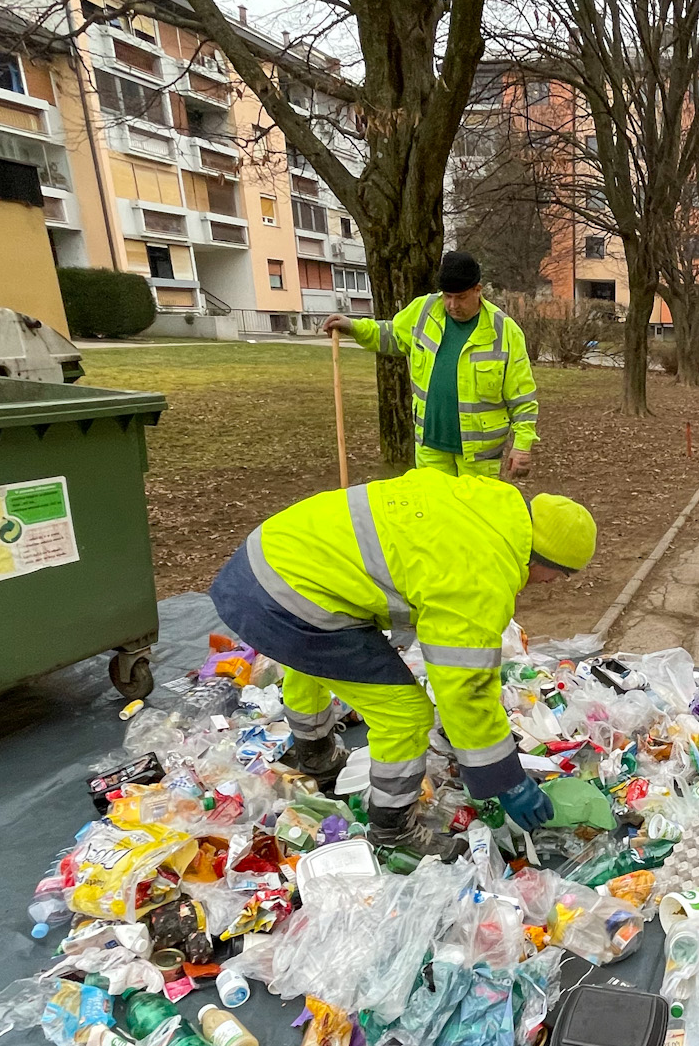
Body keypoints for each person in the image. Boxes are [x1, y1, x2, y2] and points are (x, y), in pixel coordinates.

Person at [208, 469, 597, 860]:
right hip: (285, 600)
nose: (551, 585)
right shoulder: (481, 573)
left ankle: (315, 757)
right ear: (543, 558)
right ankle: (392, 830)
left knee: (312, 657)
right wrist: (506, 779)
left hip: (267, 560)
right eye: (558, 576)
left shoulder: (485, 504)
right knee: (406, 714)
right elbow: (466, 690)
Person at [323, 250, 538, 480]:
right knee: (433, 514)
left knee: (472, 515)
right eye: (447, 296)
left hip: (479, 456)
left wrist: (522, 444)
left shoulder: (504, 331)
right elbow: (391, 335)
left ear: (478, 290)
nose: (452, 305)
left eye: (461, 297)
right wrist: (354, 327)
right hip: (430, 447)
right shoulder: (424, 310)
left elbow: (522, 397)